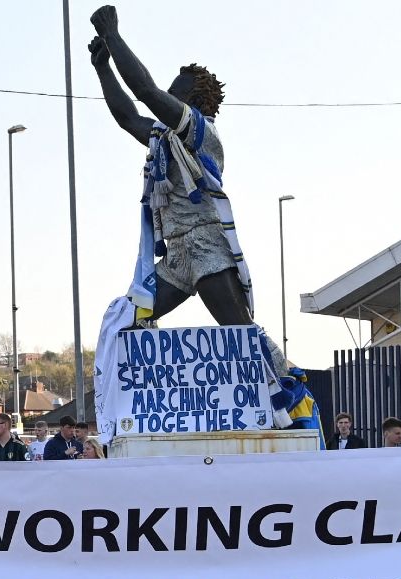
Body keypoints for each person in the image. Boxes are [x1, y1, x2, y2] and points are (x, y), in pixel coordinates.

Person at [88, 4, 262, 372]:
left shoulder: (202, 133)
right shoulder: (165, 139)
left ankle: (283, 406)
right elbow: (128, 117)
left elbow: (146, 92)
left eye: (175, 92)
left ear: (193, 102)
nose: (167, 93)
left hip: (206, 245)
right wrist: (103, 67)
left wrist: (113, 35)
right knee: (127, 324)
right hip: (177, 256)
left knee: (240, 336)